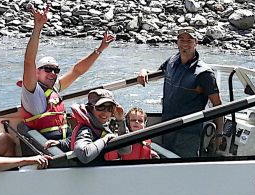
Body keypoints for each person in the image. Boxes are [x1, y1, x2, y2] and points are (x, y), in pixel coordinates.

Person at [18, 4, 115, 143]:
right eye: (47, 69)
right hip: (45, 149)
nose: (52, 73)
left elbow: (77, 71)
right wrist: (38, 28)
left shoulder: (53, 88)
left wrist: (100, 49)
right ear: (36, 72)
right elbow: (28, 61)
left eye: (56, 70)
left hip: (62, 144)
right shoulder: (32, 92)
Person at [138, 27, 222, 157]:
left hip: (188, 134)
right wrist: (144, 71)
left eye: (189, 40)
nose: (185, 43)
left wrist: (219, 134)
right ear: (177, 43)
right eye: (181, 39)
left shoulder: (204, 73)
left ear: (196, 42)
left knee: (184, 169)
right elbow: (155, 74)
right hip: (167, 127)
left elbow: (217, 105)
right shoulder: (171, 61)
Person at [67, 89, 123, 164]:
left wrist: (120, 120)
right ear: (90, 109)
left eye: (110, 108)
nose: (105, 112)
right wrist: (105, 139)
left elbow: (125, 150)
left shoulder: (106, 127)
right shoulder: (86, 130)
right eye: (100, 107)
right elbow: (84, 154)